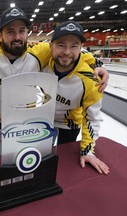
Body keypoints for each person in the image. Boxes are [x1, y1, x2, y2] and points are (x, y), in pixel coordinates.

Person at [0, 7, 109, 156]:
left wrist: (97, 64)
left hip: (30, 121)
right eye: (10, 31)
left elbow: (70, 51)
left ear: (27, 33)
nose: (17, 37)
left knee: (34, 159)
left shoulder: (39, 52)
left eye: (22, 31)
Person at [42, 21, 110, 175]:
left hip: (70, 124)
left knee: (64, 167)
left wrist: (87, 150)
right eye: (61, 45)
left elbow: (92, 119)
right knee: (41, 163)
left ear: (80, 48)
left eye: (74, 46)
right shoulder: (42, 63)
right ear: (51, 46)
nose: (67, 51)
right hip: (43, 121)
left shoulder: (91, 81)